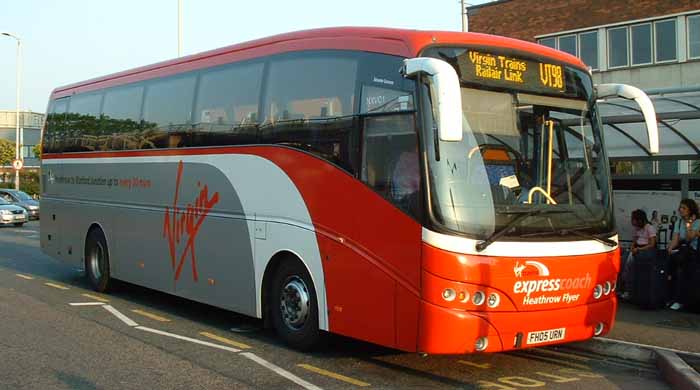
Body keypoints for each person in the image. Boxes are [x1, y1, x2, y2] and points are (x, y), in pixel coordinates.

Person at [666, 199, 700, 310]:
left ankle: (680, 300)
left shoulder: (698, 222)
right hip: (682, 251)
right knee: (670, 268)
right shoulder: (679, 222)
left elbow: (690, 237)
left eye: (684, 208)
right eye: (680, 207)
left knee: (682, 271)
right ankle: (670, 297)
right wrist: (670, 249)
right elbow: (675, 239)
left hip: (693, 252)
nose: (681, 210)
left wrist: (689, 223)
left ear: (690, 210)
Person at [620, 209, 657, 300]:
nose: (633, 222)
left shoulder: (649, 228)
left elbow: (652, 244)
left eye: (634, 220)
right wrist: (633, 247)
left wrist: (639, 249)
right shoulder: (637, 228)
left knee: (631, 265)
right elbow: (635, 240)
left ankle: (629, 290)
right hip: (636, 248)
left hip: (645, 249)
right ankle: (624, 287)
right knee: (624, 261)